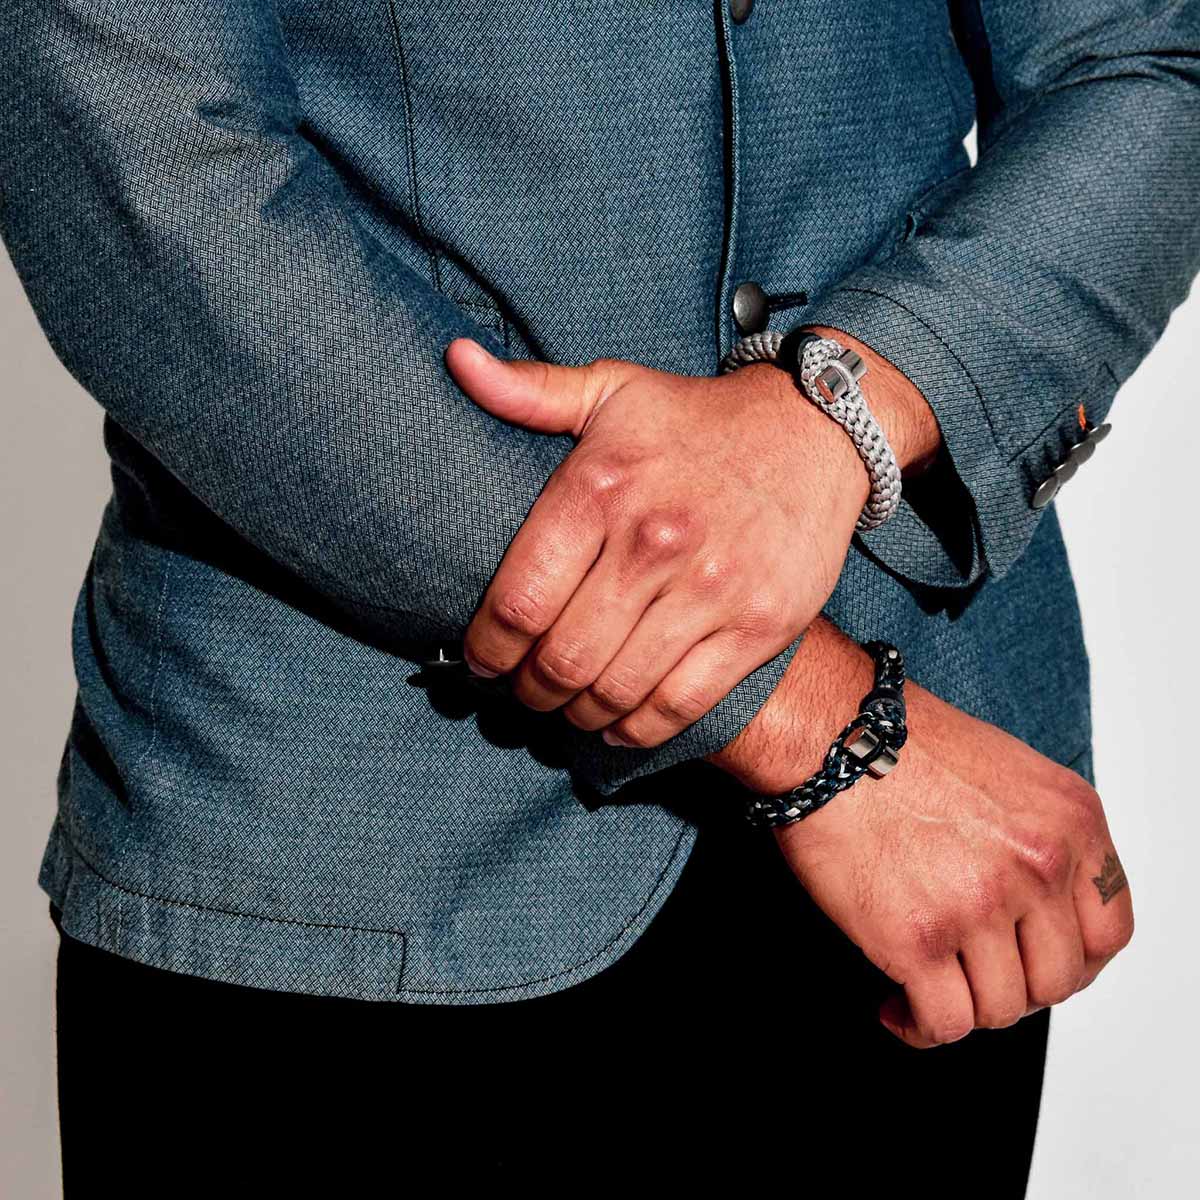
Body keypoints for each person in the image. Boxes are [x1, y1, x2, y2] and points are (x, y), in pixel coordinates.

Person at [2, 0, 1194, 1192]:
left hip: (932, 862)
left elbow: (1142, 61)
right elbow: (150, 171)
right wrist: (813, 722)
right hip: (348, 879)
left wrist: (846, 415)